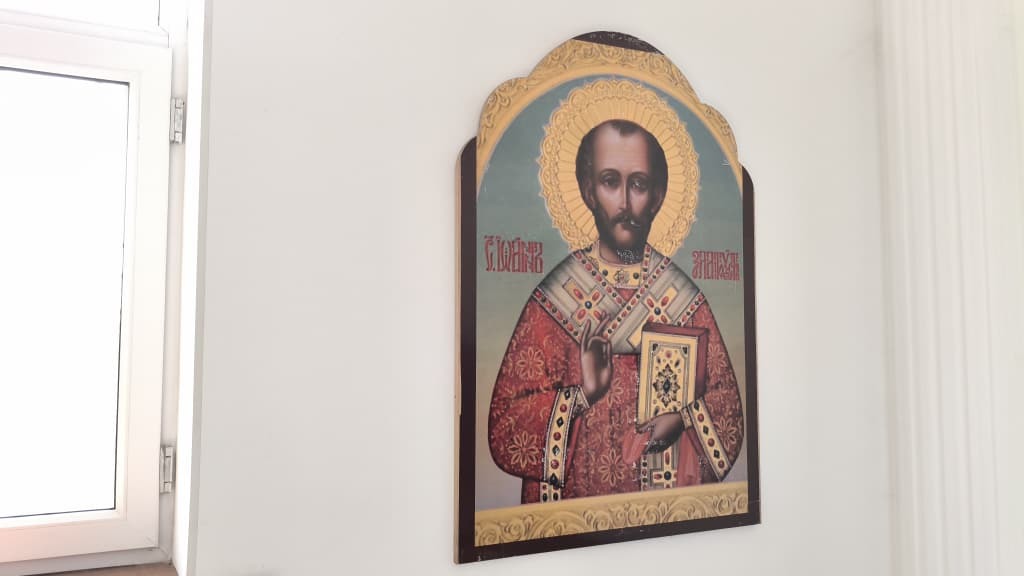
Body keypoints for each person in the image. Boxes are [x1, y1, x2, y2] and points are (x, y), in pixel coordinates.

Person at [488, 119, 744, 503]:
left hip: (660, 515)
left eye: (638, 184)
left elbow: (729, 411)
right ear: (588, 191)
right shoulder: (554, 302)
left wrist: (682, 420)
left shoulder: (684, 301)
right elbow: (505, 425)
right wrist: (582, 396)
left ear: (657, 196)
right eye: (610, 181)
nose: (625, 203)